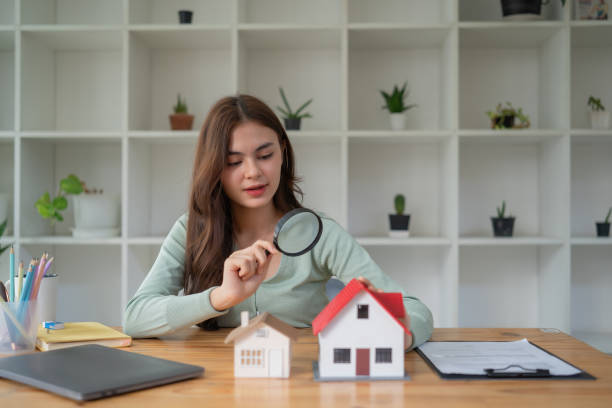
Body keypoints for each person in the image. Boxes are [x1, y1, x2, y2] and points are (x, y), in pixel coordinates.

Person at [123, 94, 433, 350]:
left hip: (301, 384)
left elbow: (415, 309)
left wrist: (398, 334)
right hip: (215, 386)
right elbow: (135, 317)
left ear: (282, 153)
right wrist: (223, 298)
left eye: (264, 155)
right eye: (233, 162)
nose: (253, 172)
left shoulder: (321, 234)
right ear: (214, 168)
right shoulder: (190, 231)